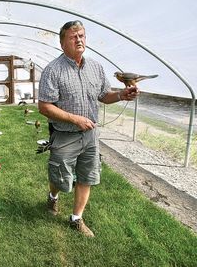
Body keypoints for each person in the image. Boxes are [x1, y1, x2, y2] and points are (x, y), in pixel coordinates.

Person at [38, 20, 139, 237]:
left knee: (86, 175)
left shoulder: (96, 67)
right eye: (73, 37)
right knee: (59, 176)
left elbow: (104, 95)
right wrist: (75, 119)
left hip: (90, 134)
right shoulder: (52, 70)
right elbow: (44, 107)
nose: (79, 39)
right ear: (62, 42)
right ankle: (53, 196)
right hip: (64, 134)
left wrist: (122, 95)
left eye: (82, 35)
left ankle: (76, 219)